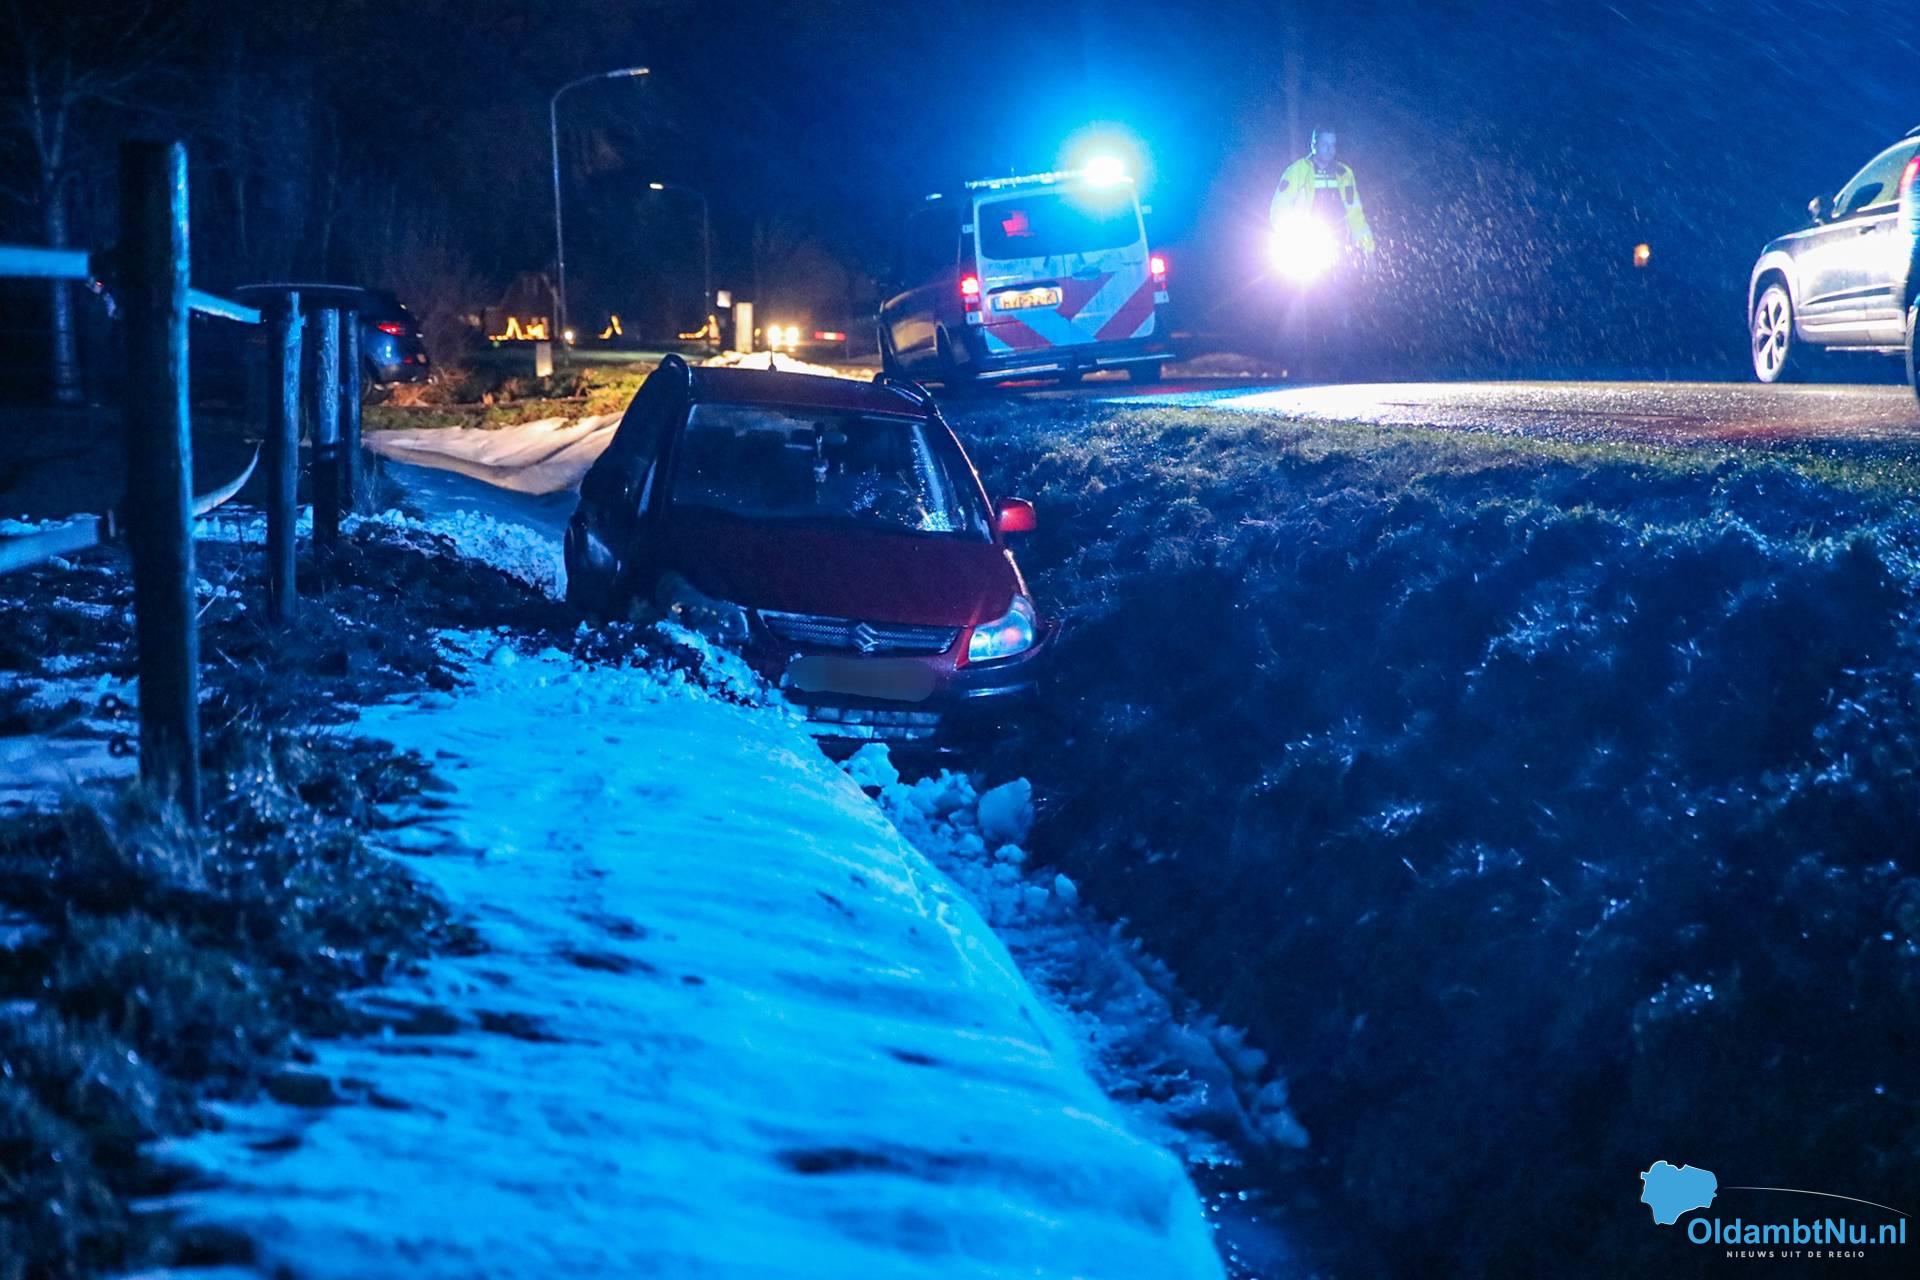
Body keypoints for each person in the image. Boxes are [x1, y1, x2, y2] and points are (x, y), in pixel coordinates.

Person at [1270, 126, 1376, 258]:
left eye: (1333, 145)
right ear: (1314, 145)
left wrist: (1368, 249)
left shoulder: (1344, 174)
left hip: (1342, 248)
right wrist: (1290, 238)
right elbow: (1280, 207)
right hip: (1306, 247)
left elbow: (1355, 213)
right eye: (1325, 144)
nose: (1330, 149)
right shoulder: (1297, 171)